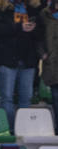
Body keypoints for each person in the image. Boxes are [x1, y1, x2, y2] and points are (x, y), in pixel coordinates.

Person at [0, 0, 46, 132]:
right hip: (6, 58)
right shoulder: (0, 8)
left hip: (28, 59)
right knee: (7, 97)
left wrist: (33, 28)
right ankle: (8, 130)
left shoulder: (34, 9)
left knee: (26, 98)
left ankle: (23, 129)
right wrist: (19, 27)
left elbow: (41, 32)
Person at [42, 0, 58, 129]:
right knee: (56, 96)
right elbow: (37, 37)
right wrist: (41, 52)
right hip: (52, 61)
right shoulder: (45, 14)